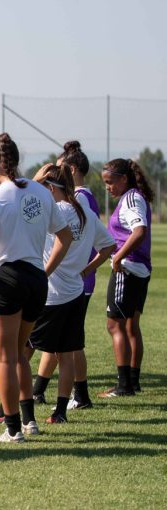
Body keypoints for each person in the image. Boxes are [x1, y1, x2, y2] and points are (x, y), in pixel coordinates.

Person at [0, 133, 71, 443]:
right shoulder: (41, 192)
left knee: (5, 358)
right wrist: (44, 271)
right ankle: (29, 421)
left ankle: (12, 428)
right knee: (18, 354)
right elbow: (65, 236)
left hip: (6, 278)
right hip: (35, 280)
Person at [29, 164, 114, 424]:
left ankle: (10, 409)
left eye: (46, 187)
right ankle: (60, 412)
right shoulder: (85, 212)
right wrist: (85, 271)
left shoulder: (51, 212)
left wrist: (36, 179)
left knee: (22, 353)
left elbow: (25, 196)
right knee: (66, 355)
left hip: (50, 295)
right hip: (75, 294)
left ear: (52, 187)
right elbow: (109, 246)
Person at [99, 158, 153, 397]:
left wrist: (118, 257)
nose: (107, 187)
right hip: (138, 269)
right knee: (131, 326)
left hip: (127, 269)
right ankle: (132, 381)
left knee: (115, 325)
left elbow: (139, 231)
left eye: (110, 182)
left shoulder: (131, 198)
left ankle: (123, 386)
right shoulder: (134, 196)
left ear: (124, 179)